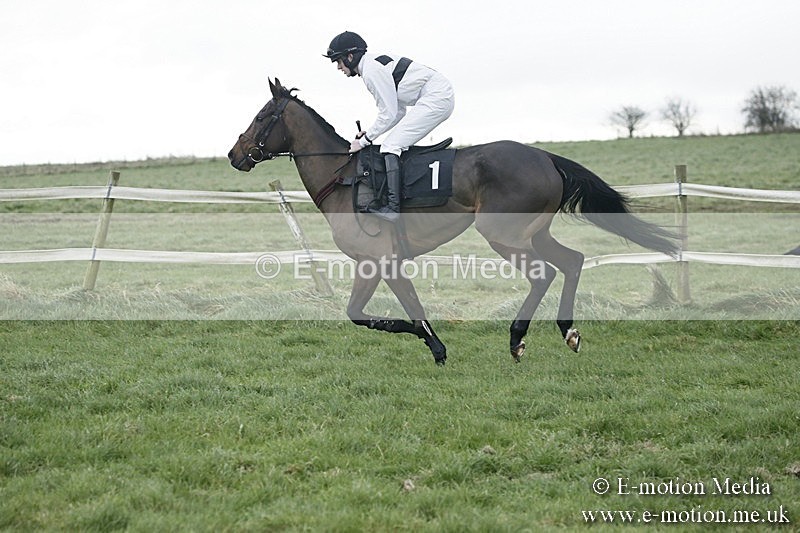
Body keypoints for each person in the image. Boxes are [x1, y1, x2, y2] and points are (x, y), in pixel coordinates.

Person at [324, 31, 455, 222]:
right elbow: (397, 111)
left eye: (338, 61)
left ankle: (393, 208)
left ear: (350, 57)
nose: (338, 67)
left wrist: (364, 141)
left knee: (390, 146)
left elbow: (389, 113)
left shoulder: (371, 72)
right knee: (392, 144)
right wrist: (369, 135)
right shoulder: (371, 66)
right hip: (436, 95)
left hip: (436, 97)